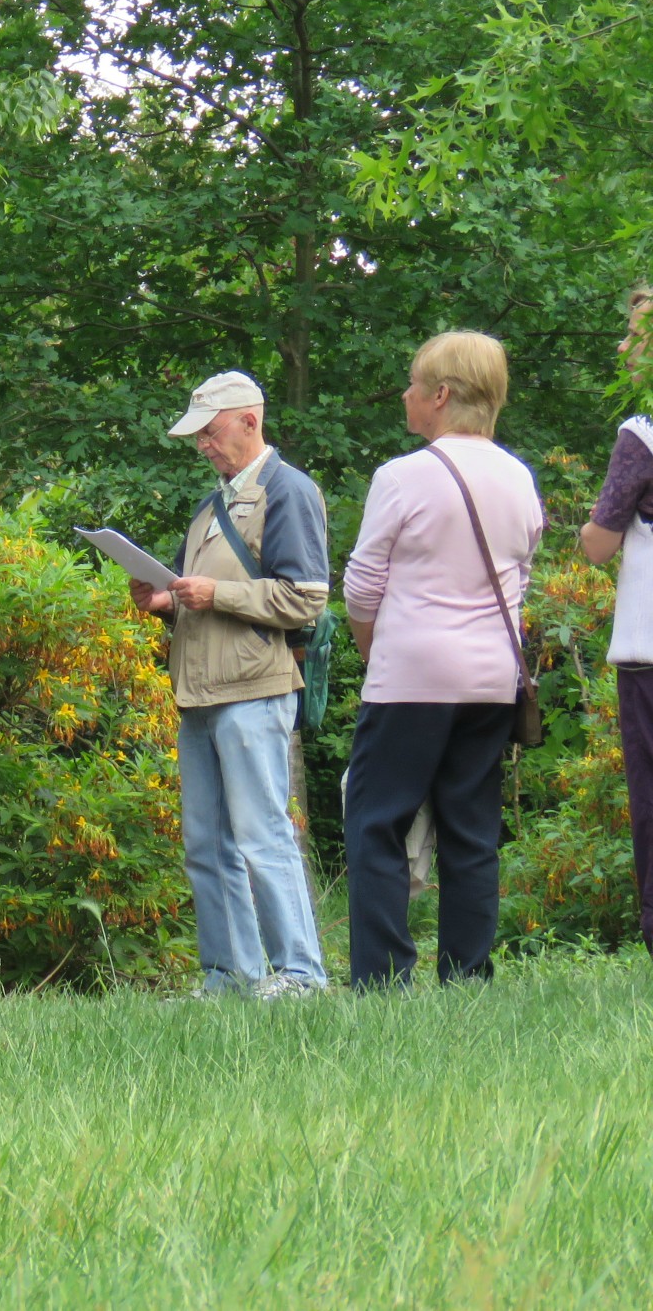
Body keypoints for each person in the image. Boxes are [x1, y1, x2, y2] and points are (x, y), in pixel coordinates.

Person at [343, 331, 543, 987]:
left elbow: (363, 584)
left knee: (378, 822)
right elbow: (522, 582)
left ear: (441, 395)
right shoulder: (519, 477)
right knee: (472, 831)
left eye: (412, 383)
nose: (405, 394)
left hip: (411, 678)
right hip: (491, 683)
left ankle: (382, 978)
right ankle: (465, 976)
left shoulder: (403, 477)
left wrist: (378, 656)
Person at [130, 371, 330, 998]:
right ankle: (229, 977)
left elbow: (307, 599)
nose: (203, 446)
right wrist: (167, 601)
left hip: (253, 690)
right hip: (201, 692)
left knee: (263, 836)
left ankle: (300, 975)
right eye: (197, 437)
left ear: (250, 421)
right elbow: (212, 600)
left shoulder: (288, 491)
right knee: (205, 845)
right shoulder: (214, 503)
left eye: (210, 433)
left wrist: (216, 592)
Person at [581, 285, 653, 956]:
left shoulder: (641, 435)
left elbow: (599, 542)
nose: (625, 348)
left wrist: (593, 528)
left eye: (636, 335)